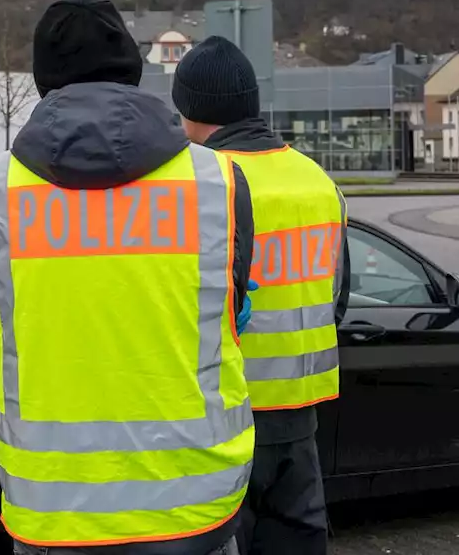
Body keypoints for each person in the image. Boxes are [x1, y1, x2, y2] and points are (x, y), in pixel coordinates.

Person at [0, 0, 255, 555]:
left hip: (51, 504)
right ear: (132, 66)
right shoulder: (218, 181)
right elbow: (233, 306)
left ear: (43, 77)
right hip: (193, 496)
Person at [172, 37, 349, 555]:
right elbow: (337, 298)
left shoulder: (202, 186)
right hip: (300, 414)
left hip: (222, 410)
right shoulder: (318, 181)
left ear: (190, 109)